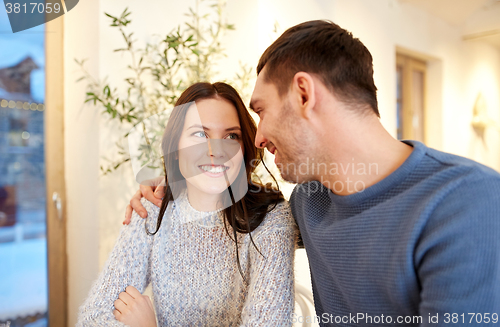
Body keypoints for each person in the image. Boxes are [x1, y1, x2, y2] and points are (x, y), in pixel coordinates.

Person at [128, 21, 500, 326]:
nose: (257, 139)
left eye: (261, 112)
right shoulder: (309, 202)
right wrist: (169, 187)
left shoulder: (469, 204)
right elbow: (241, 213)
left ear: (304, 94)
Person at [77, 82, 298, 326]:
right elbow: (93, 317)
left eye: (231, 136)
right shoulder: (152, 210)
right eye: (200, 134)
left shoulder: (271, 218)